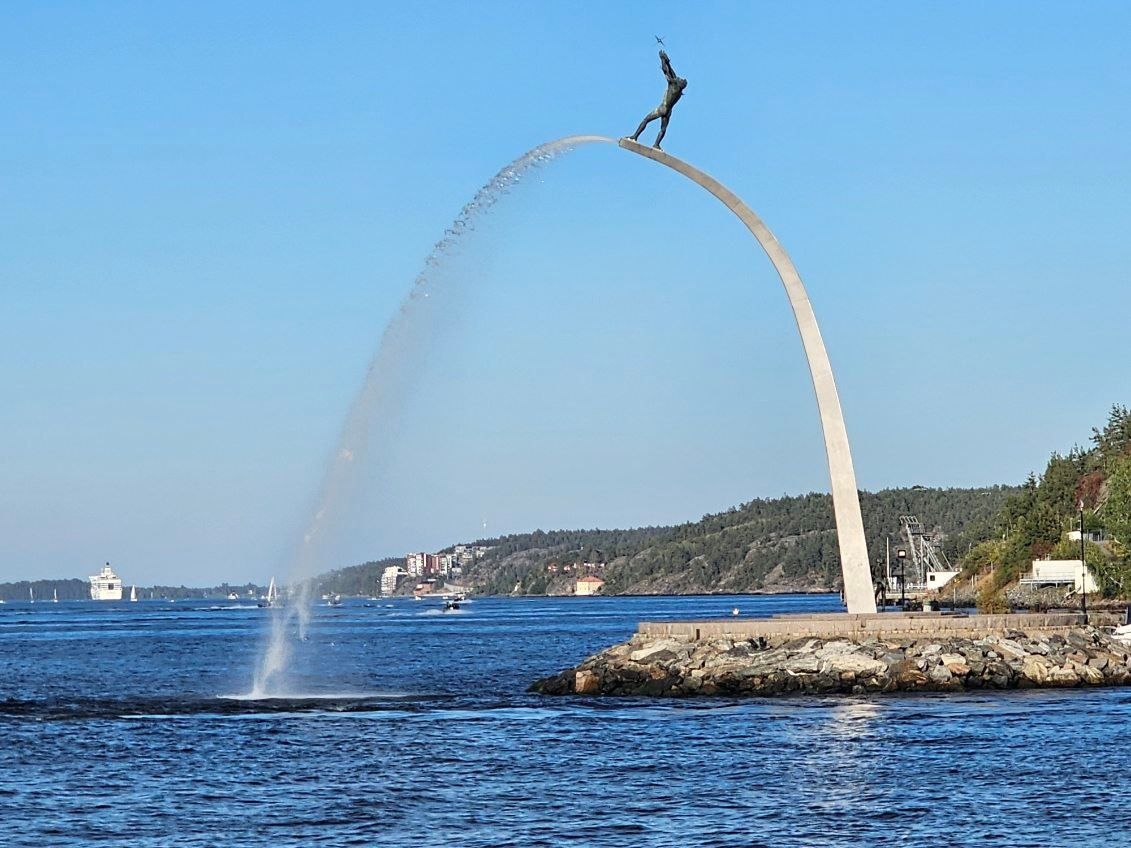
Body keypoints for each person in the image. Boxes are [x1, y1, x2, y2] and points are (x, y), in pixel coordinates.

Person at [629, 50, 688, 149]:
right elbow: (672, 73)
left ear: (679, 83)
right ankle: (656, 144)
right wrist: (668, 62)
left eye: (680, 79)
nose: (679, 78)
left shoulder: (673, 85)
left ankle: (634, 137)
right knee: (663, 129)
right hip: (668, 112)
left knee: (646, 120)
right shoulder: (678, 90)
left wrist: (662, 60)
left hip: (662, 108)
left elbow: (666, 71)